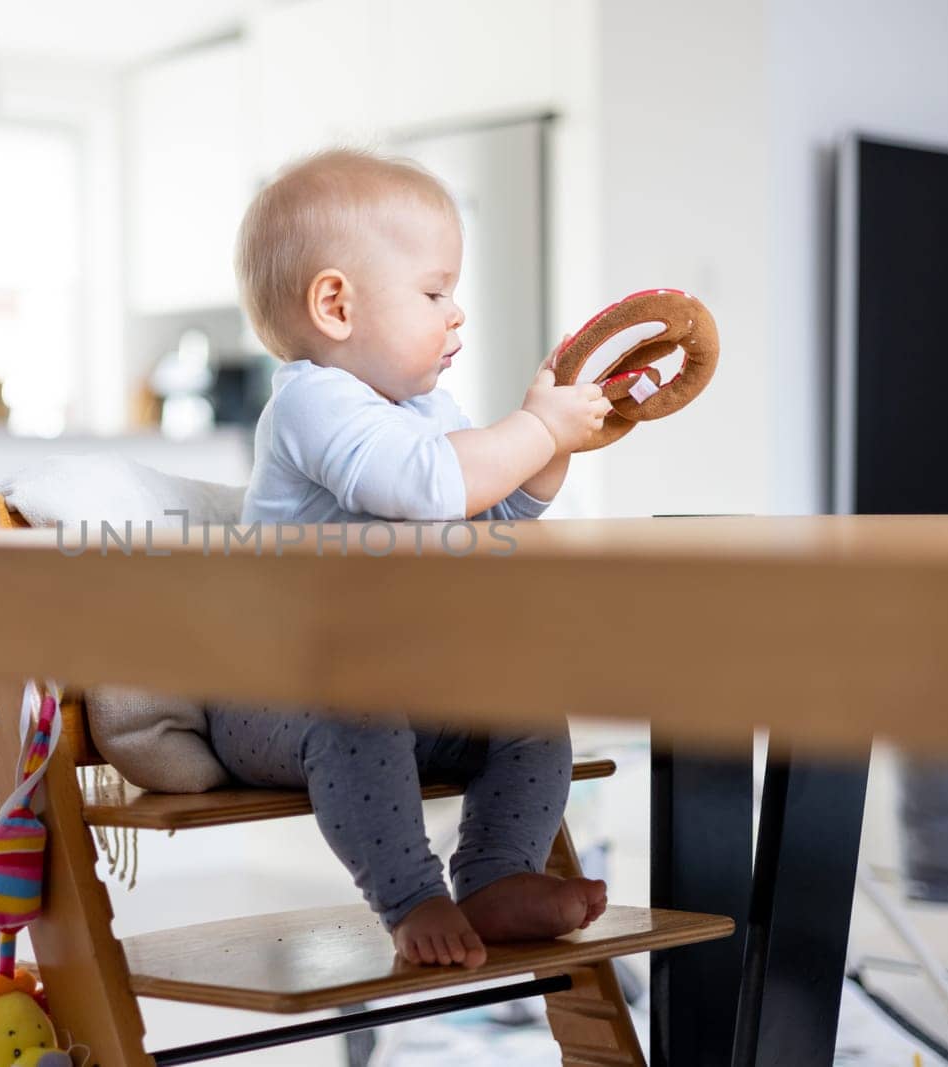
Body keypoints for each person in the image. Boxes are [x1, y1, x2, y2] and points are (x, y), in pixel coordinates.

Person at [208, 148, 612, 969]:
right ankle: (410, 895)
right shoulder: (312, 401)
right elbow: (427, 485)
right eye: (434, 292)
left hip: (401, 687)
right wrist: (532, 429)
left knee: (530, 712)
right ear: (335, 305)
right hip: (276, 693)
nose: (456, 313)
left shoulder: (425, 406)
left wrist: (547, 449)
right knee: (356, 706)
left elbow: (486, 509)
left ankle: (498, 873)